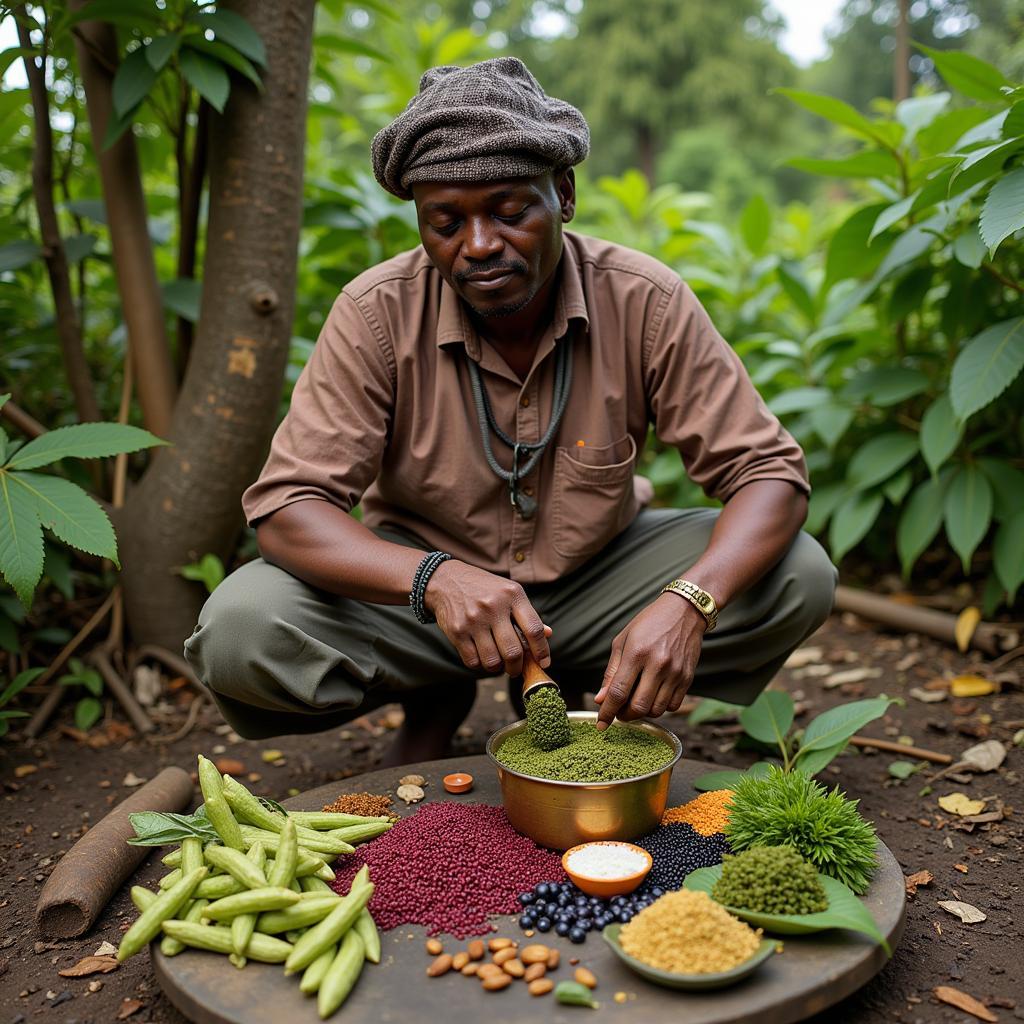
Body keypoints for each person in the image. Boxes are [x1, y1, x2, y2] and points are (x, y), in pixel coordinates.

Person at [184, 57, 837, 765]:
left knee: (798, 573)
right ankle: (437, 688)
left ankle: (592, 674)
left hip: (597, 579)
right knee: (241, 630)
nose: (480, 245)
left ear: (564, 194)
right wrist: (435, 581)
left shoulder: (644, 299)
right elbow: (287, 509)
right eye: (446, 222)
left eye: (508, 209)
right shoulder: (375, 314)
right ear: (420, 223)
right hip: (421, 601)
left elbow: (768, 473)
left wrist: (688, 603)